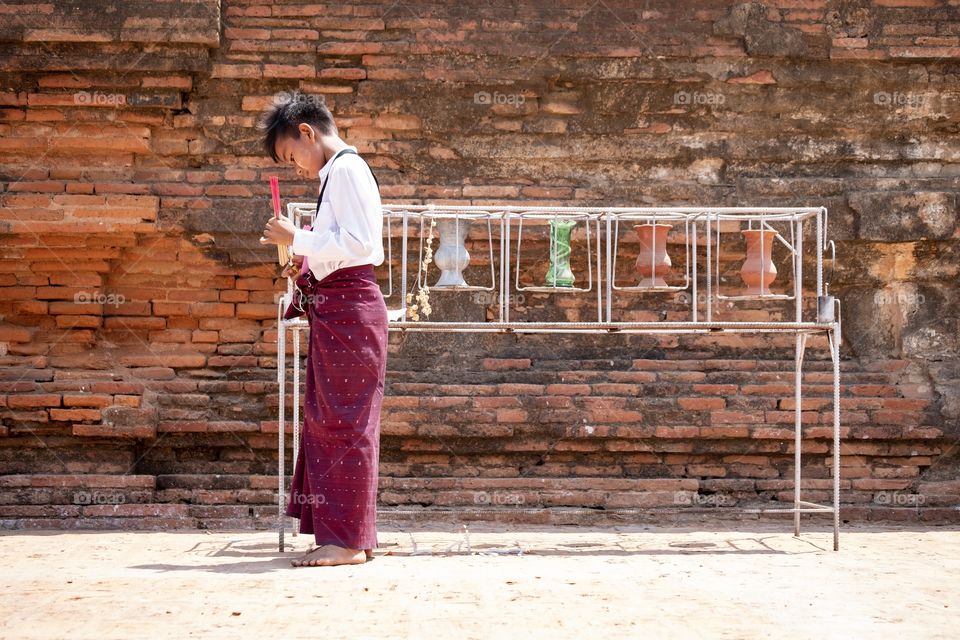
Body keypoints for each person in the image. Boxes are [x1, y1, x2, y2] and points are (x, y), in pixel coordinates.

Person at [258, 90, 387, 567]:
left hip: (352, 309)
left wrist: (297, 237)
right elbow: (338, 248)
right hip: (338, 309)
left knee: (346, 424)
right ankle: (343, 534)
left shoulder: (349, 169)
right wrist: (304, 267)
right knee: (327, 421)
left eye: (293, 155)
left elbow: (361, 244)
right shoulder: (334, 175)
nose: (296, 167)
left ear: (307, 133)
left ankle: (349, 541)